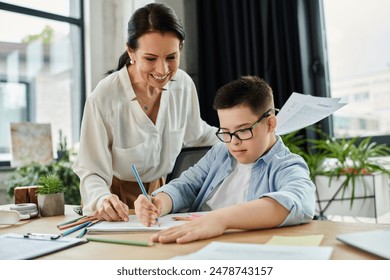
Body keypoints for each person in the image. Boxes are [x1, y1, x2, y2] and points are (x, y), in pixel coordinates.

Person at [73, 3, 218, 221]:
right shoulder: (104, 97)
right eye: (150, 59)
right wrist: (102, 199)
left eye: (171, 57)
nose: (162, 70)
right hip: (115, 199)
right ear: (131, 51)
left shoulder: (183, 85)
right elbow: (91, 169)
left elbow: (196, 134)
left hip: (159, 194)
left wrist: (237, 134)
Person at [134, 75, 316, 244]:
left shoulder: (286, 164)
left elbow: (298, 201)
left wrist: (221, 218)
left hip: (240, 249)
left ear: (270, 123)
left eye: (244, 130)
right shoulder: (220, 153)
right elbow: (184, 186)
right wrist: (158, 203)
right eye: (226, 132)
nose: (234, 142)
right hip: (194, 242)